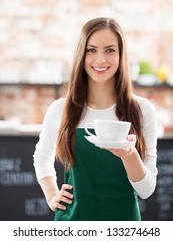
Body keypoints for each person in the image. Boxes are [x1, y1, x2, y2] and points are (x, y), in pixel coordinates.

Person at [33, 17, 158, 221]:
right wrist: (51, 195)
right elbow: (41, 157)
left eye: (110, 50)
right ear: (81, 54)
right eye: (91, 50)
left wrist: (129, 155)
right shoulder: (61, 109)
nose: (100, 59)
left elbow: (146, 190)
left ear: (121, 55)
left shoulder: (142, 110)